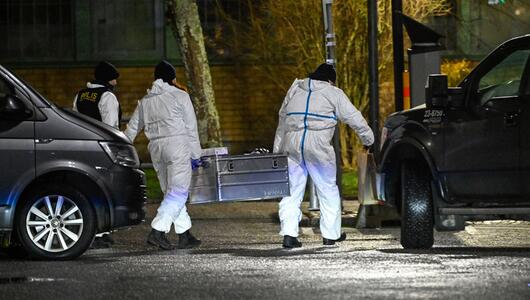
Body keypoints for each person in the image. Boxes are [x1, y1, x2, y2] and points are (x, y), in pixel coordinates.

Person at [273, 63, 374, 248]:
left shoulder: (295, 89)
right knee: (327, 190)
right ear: (329, 80)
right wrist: (369, 139)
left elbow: (282, 119)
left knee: (291, 191)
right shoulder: (333, 93)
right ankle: (330, 235)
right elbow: (354, 117)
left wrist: (277, 150)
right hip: (318, 146)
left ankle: (289, 234)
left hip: (292, 144)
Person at [124, 60, 202, 250]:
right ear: (172, 78)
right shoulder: (180, 96)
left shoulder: (145, 101)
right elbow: (191, 127)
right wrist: (196, 154)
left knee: (171, 192)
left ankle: (185, 234)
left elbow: (132, 128)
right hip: (177, 145)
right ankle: (157, 231)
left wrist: (120, 147)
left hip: (156, 148)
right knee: (179, 191)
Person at [73, 61, 121, 128]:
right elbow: (110, 127)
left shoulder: (80, 94)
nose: (115, 82)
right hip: (100, 137)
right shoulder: (107, 96)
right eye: (114, 78)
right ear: (107, 79)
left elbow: (75, 122)